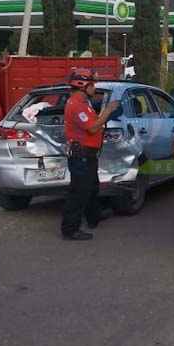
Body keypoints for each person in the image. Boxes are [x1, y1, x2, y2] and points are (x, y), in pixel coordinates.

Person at [62, 68, 119, 241]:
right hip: (82, 156)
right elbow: (93, 127)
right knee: (79, 192)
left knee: (92, 187)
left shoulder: (84, 102)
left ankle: (94, 216)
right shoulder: (77, 105)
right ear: (83, 86)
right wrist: (108, 110)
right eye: (92, 85)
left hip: (88, 155)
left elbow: (92, 122)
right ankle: (70, 229)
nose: (95, 88)